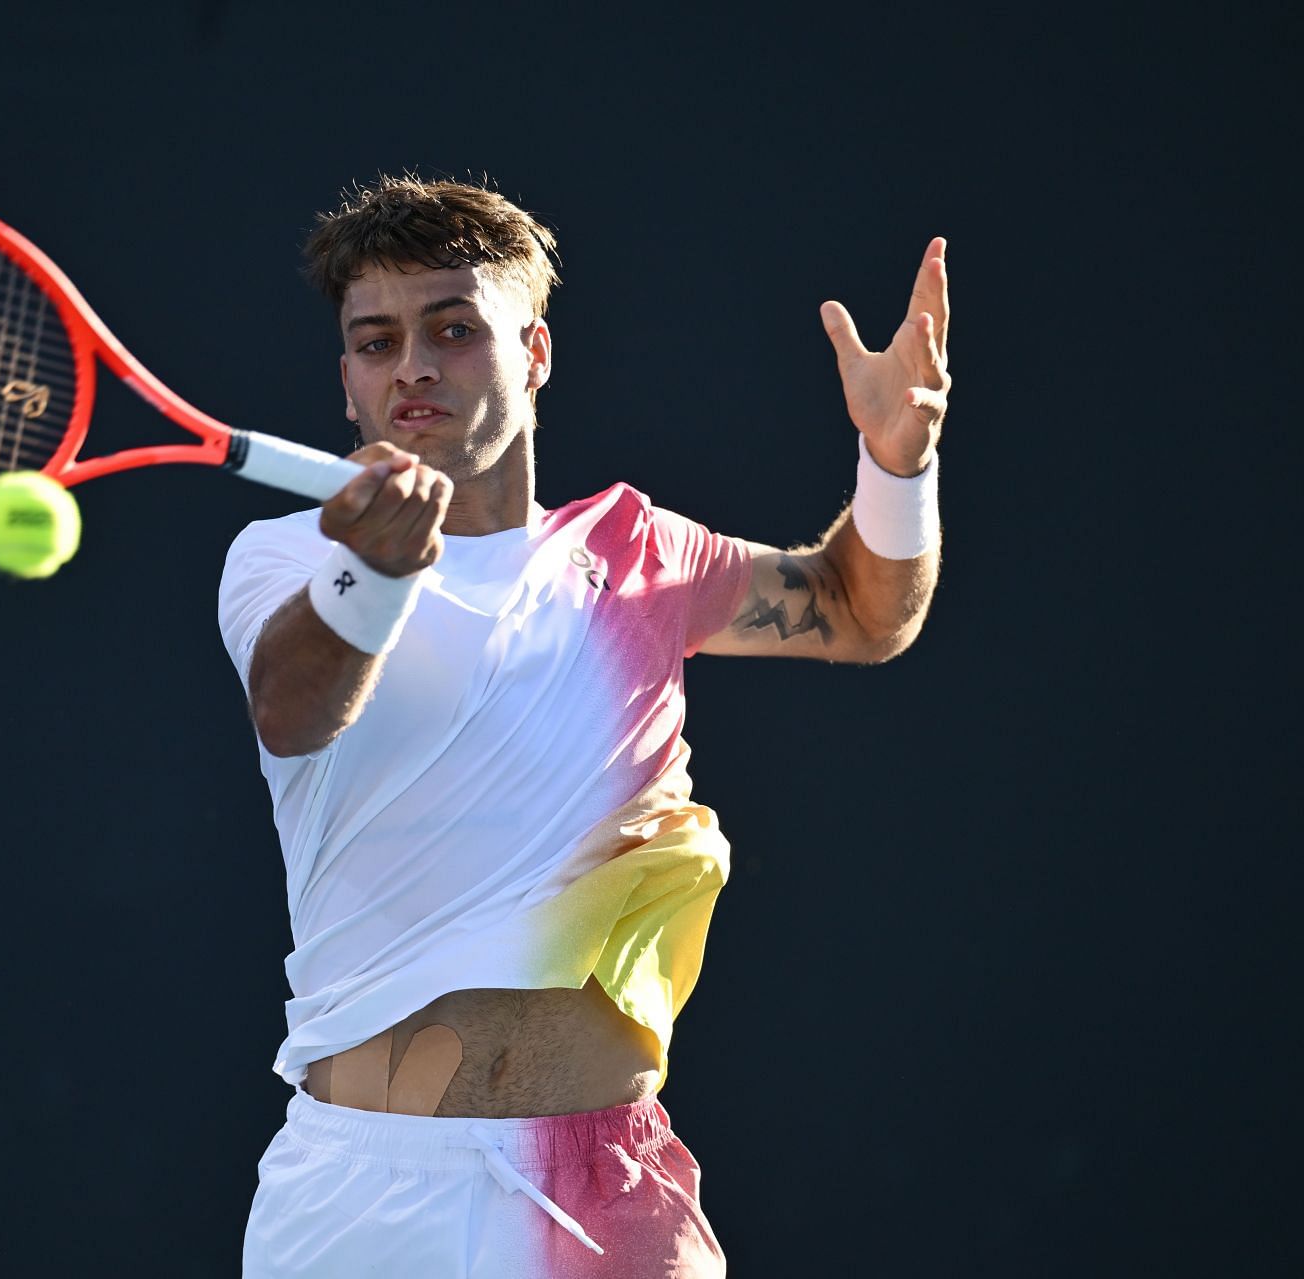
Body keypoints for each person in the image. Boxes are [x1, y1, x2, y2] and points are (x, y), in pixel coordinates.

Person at [218, 175, 948, 1277]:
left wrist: (896, 462)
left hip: (604, 1197)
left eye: (453, 328)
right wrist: (375, 568)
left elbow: (861, 610)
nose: (412, 362)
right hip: (360, 1203)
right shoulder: (287, 561)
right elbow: (295, 707)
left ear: (537, 351)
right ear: (348, 380)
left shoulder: (640, 555)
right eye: (376, 341)